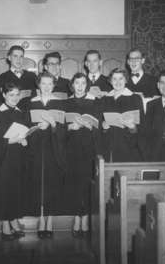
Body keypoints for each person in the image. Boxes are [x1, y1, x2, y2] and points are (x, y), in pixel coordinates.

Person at [27, 72, 66, 238]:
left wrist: (53, 126)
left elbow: (64, 129)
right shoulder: (30, 103)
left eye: (50, 84)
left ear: (54, 85)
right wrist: (37, 127)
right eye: (43, 83)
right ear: (38, 85)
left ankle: (49, 221)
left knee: (51, 183)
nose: (47, 87)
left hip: (53, 148)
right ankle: (40, 219)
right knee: (37, 183)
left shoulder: (59, 103)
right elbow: (25, 127)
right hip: (36, 148)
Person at [0, 82, 28, 240]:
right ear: (4, 95)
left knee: (15, 190)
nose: (14, 98)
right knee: (5, 191)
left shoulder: (21, 112)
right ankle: (6, 225)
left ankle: (13, 219)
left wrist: (25, 140)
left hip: (17, 158)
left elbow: (24, 132)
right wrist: (9, 141)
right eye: (11, 94)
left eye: (17, 94)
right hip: (3, 158)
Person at [64, 73, 99, 237]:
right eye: (76, 83)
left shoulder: (94, 102)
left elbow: (99, 127)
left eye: (83, 83)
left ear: (87, 85)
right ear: (72, 85)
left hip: (88, 149)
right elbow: (60, 128)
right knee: (74, 184)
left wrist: (89, 126)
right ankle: (76, 218)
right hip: (71, 150)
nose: (80, 86)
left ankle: (84, 219)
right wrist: (70, 128)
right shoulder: (66, 102)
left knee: (86, 184)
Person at [99, 68, 144, 162]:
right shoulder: (104, 99)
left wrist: (132, 127)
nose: (118, 82)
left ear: (126, 80)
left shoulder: (135, 98)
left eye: (121, 78)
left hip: (128, 146)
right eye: (114, 79)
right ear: (110, 81)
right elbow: (100, 124)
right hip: (108, 147)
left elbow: (142, 126)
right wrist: (104, 127)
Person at [0, 45, 37, 110]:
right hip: (11, 115)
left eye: (21, 56)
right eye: (15, 56)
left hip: (30, 115)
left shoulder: (32, 76)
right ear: (9, 58)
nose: (18, 59)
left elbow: (36, 97)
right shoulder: (2, 78)